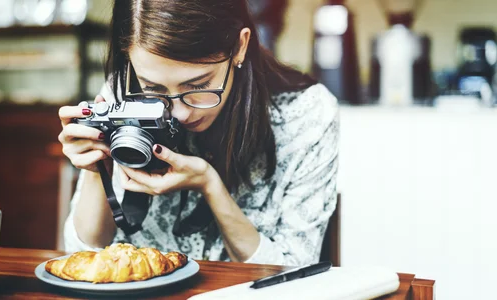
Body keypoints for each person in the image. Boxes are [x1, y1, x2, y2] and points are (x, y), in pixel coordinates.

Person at [58, 0, 339, 267]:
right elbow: (82, 258)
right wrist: (98, 168)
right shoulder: (124, 95)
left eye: (198, 85)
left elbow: (294, 274)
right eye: (154, 89)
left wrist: (209, 184)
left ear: (239, 46)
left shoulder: (305, 115)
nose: (179, 113)